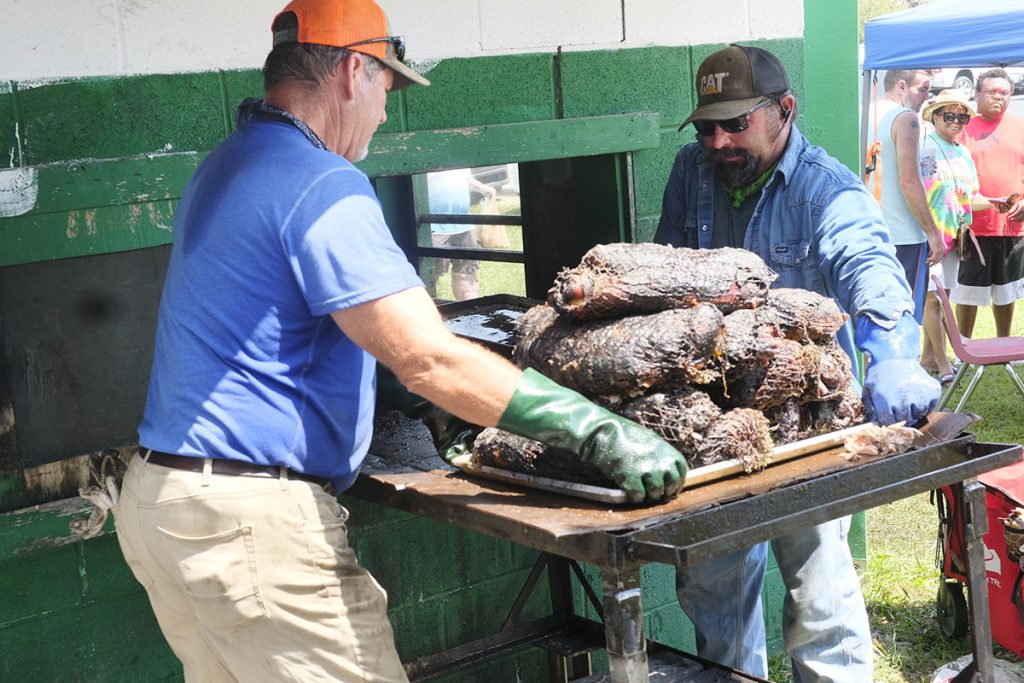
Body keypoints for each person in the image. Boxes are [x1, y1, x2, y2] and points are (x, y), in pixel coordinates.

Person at [111, 1, 688, 680]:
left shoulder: (227, 166)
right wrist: (596, 430)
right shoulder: (323, 184)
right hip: (249, 522)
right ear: (354, 70)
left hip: (163, 507)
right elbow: (428, 356)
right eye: (387, 89)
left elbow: (279, 326)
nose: (386, 114)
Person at [655, 44, 941, 681]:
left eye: (737, 123)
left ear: (784, 110)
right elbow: (665, 274)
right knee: (712, 595)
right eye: (707, 126)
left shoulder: (826, 189)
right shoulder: (690, 172)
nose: (720, 140)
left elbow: (869, 266)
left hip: (804, 428)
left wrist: (892, 351)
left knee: (820, 600)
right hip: (713, 425)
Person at [918, 89, 984, 385]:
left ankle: (927, 359)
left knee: (945, 298)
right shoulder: (925, 147)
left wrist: (996, 202)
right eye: (950, 115)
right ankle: (944, 365)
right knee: (934, 301)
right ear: (934, 116)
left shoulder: (964, 152)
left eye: (963, 116)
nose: (957, 121)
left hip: (956, 236)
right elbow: (916, 188)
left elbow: (970, 195)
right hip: (930, 234)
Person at [954, 68, 1024, 338]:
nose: (999, 97)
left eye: (1005, 92)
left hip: (1011, 226)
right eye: (992, 92)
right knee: (968, 290)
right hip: (974, 226)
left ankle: (1003, 343)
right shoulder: (963, 128)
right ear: (977, 93)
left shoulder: (1019, 127)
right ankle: (964, 345)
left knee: (1007, 290)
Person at [875, 69, 945, 324]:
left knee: (877, 317)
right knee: (904, 319)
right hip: (904, 235)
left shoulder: (866, 115)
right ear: (902, 86)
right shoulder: (905, 118)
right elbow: (909, 180)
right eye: (923, 89)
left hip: (871, 229)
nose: (927, 96)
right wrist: (933, 234)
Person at [425, 167, 497, 300]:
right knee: (429, 275)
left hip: (464, 225)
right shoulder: (429, 154)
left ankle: (470, 309)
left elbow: (467, 178)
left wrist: (483, 189)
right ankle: (430, 312)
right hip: (434, 226)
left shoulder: (458, 157)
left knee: (467, 273)